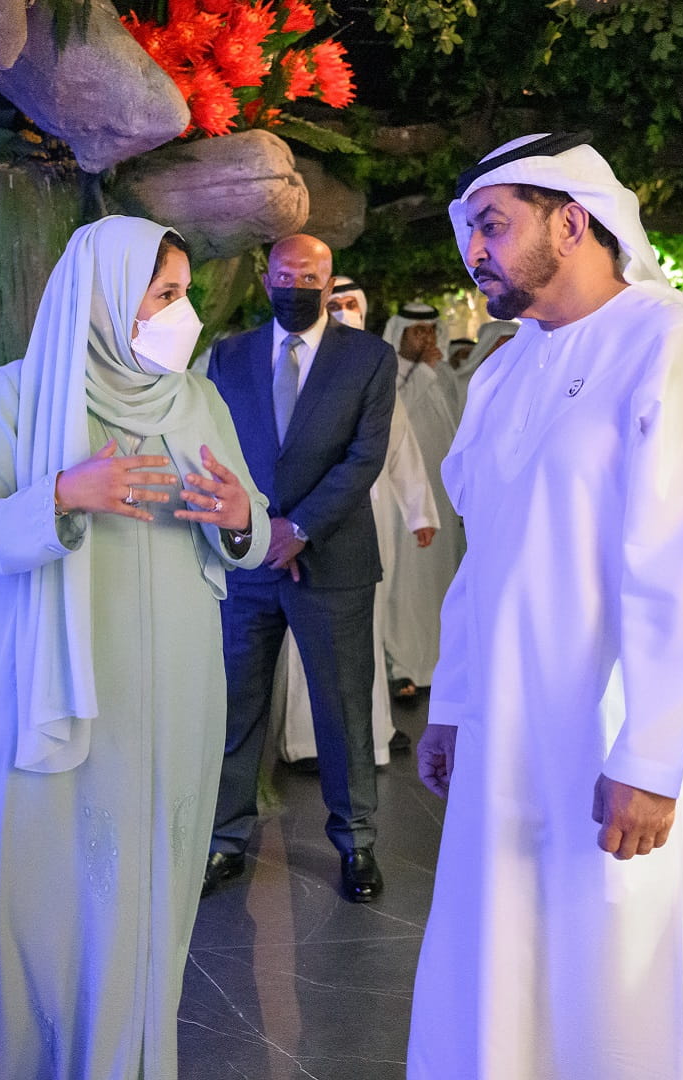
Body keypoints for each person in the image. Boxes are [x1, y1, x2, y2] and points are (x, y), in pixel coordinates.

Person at [408, 134, 683, 1080]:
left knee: (614, 962)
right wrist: (452, 697)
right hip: (506, 720)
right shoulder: (500, 371)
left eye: (493, 225)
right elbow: (483, 559)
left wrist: (650, 756)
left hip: (614, 723)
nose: (474, 251)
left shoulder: (667, 340)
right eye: (469, 231)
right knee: (505, 947)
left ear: (572, 221)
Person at [0, 216, 268, 1079]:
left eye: (184, 292)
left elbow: (252, 521)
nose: (182, 312)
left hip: (175, 692)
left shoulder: (197, 399)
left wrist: (240, 519)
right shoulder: (20, 395)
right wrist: (59, 495)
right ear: (105, 297)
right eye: (163, 295)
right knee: (52, 900)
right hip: (59, 693)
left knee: (149, 889)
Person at [205, 234, 397, 903]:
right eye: (285, 274)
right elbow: (212, 452)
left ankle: (357, 842)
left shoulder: (370, 358)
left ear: (328, 279)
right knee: (233, 706)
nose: (296, 285)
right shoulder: (227, 357)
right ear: (267, 281)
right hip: (246, 562)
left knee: (342, 710)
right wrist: (258, 530)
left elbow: (364, 457)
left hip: (332, 560)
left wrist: (300, 528)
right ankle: (223, 841)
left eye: (309, 275)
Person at [275, 278, 438, 771]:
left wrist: (418, 511)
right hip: (307, 518)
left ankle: (374, 732)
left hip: (372, 518)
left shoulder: (373, 365)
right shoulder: (301, 364)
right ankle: (306, 741)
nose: (344, 311)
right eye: (335, 304)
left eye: (352, 304)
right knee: (307, 626)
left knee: (369, 624)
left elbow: (399, 442)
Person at [383, 302, 465, 700]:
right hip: (407, 505)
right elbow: (396, 420)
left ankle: (438, 664)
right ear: (398, 334)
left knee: (442, 585)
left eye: (430, 331)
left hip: (443, 499)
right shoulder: (386, 375)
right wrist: (425, 372)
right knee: (407, 584)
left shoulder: (442, 373)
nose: (426, 339)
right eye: (417, 332)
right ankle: (402, 666)